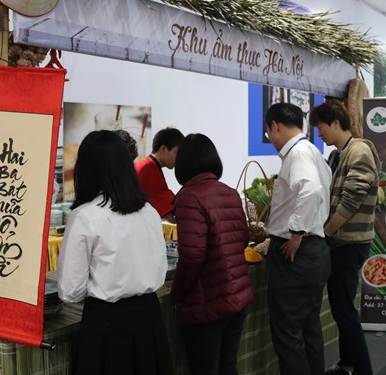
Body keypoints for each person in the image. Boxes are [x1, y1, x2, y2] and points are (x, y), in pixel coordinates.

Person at [56, 130, 172, 375]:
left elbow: (70, 290)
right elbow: (160, 270)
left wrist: (103, 281)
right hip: (150, 319)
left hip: (107, 324)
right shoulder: (149, 211)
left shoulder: (85, 216)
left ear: (85, 169)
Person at [171, 133, 254, 375]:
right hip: (237, 297)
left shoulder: (189, 196)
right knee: (228, 366)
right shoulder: (228, 192)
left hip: (207, 302)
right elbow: (242, 239)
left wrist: (178, 292)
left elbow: (193, 257)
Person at [310, 100, 381, 375]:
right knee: (341, 309)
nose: (319, 134)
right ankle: (348, 364)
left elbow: (352, 199)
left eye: (321, 127)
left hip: (349, 243)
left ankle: (361, 370)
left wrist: (325, 231)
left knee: (345, 311)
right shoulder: (338, 154)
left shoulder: (359, 150)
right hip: (342, 242)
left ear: (336, 123)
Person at [263, 102, 332, 375]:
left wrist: (296, 232)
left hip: (297, 256)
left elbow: (312, 190)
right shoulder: (311, 151)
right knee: (308, 328)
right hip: (313, 254)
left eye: (269, 132)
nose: (270, 138)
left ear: (275, 127)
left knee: (288, 334)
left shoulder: (299, 154)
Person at [135, 127, 184, 218]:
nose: (179, 159)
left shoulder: (145, 165)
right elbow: (169, 206)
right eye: (176, 153)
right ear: (163, 149)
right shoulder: (149, 170)